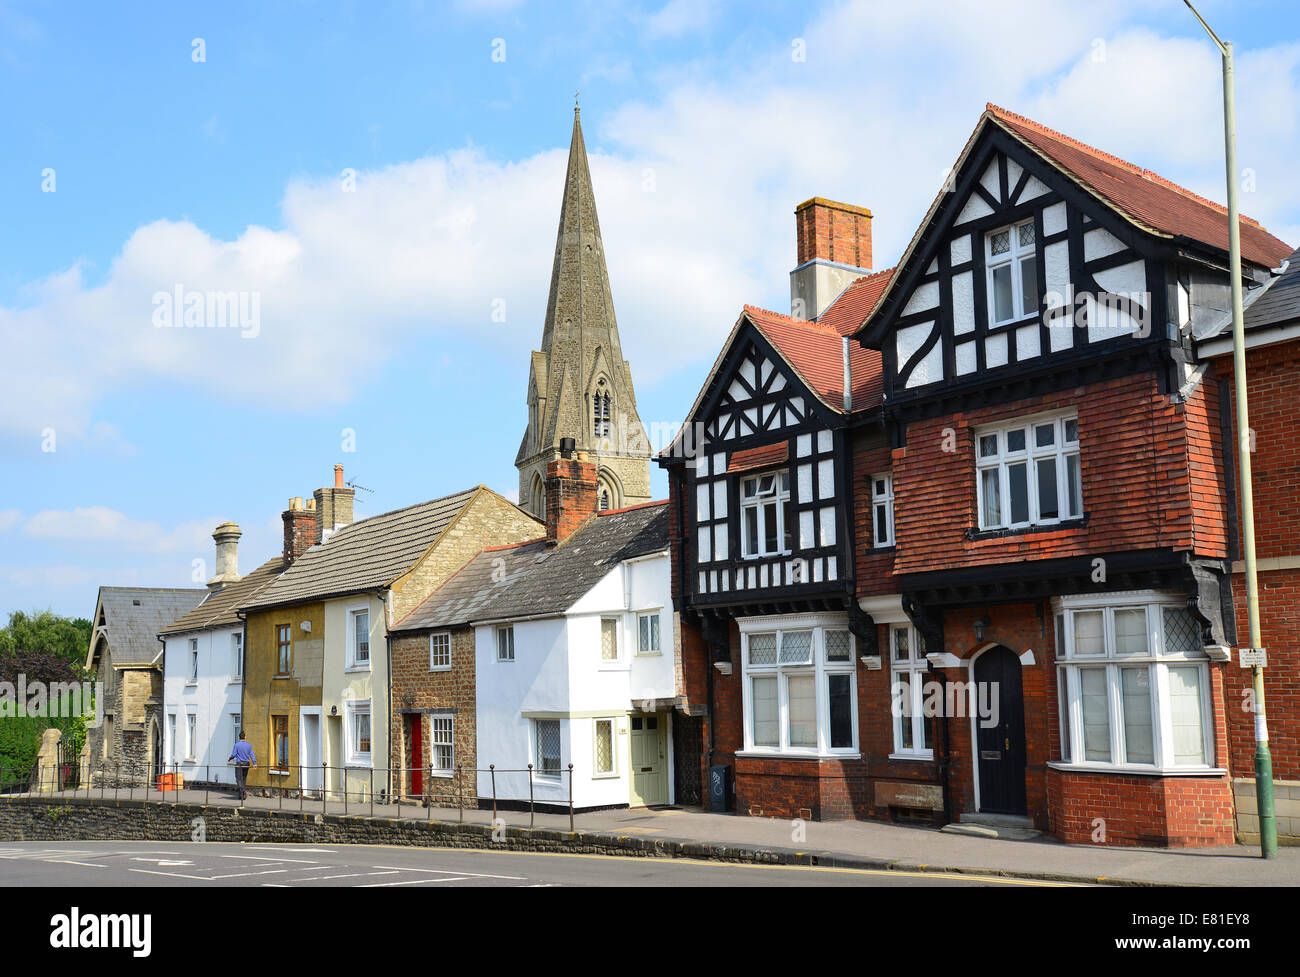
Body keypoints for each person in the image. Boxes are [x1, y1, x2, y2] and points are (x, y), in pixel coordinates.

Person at [229, 731, 256, 801]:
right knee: (244, 778)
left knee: (238, 779)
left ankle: (243, 791)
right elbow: (252, 755)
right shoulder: (249, 745)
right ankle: (241, 795)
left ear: (239, 737)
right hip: (247, 764)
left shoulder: (236, 745)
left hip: (239, 764)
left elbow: (234, 754)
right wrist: (254, 763)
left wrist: (230, 758)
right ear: (245, 737)